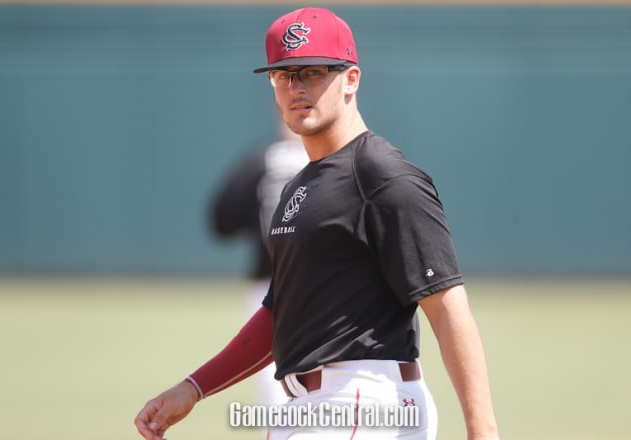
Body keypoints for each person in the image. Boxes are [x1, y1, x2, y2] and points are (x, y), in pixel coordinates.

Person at [135, 7, 499, 440]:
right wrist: (194, 388)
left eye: (312, 72)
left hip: (361, 402)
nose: (295, 87)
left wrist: (482, 430)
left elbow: (447, 308)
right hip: (310, 407)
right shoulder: (300, 187)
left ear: (351, 79)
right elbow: (279, 313)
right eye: (283, 75)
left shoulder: (382, 176)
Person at [209, 117, 308, 407]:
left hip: (268, 283)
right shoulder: (338, 160)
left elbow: (222, 221)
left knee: (275, 390)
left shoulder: (261, 160)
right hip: (329, 286)